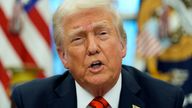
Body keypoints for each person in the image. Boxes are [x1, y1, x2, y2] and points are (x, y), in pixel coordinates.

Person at [11, 0, 184, 108]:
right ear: (63, 56)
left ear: (123, 44)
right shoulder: (30, 101)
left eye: (102, 34)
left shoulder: (165, 100)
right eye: (78, 39)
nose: (92, 48)